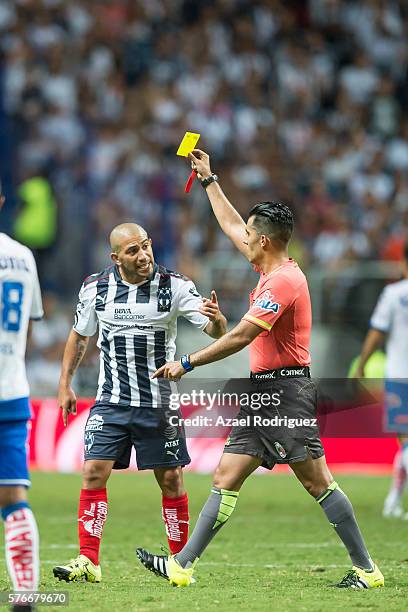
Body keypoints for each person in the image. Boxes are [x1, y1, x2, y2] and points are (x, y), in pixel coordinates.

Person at [136, 150, 384, 590]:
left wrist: (187, 362)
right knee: (225, 476)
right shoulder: (267, 265)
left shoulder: (285, 281)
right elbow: (232, 223)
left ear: (265, 241)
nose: (242, 236)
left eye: (250, 233)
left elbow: (240, 336)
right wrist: (210, 180)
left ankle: (368, 570)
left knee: (318, 482)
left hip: (286, 393)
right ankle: (182, 565)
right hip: (263, 393)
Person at [53, 222, 227, 583]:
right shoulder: (95, 288)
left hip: (158, 403)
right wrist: (65, 384)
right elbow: (80, 336)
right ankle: (89, 559)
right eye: (133, 251)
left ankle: (180, 563)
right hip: (111, 402)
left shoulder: (175, 286)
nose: (144, 255)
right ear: (116, 258)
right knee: (92, 473)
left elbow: (213, 330)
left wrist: (218, 322)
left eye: (146, 246)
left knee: (171, 480)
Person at [0, 188, 43, 611]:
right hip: (11, 391)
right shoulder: (23, 256)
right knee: (14, 498)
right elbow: (28, 328)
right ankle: (26, 594)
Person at [353, 246, 408, 519]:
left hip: (398, 376)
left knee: (405, 441)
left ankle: (393, 502)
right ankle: (393, 501)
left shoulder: (394, 293)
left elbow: (377, 332)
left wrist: (362, 363)